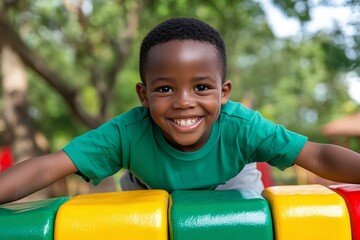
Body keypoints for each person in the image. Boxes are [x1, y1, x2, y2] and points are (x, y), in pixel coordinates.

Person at [1, 17, 360, 205]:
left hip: (231, 186)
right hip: (149, 190)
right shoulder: (127, 132)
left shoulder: (243, 127)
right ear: (143, 94)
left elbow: (316, 153)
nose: (183, 101)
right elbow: (50, 165)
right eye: (165, 89)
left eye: (201, 87)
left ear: (224, 92)